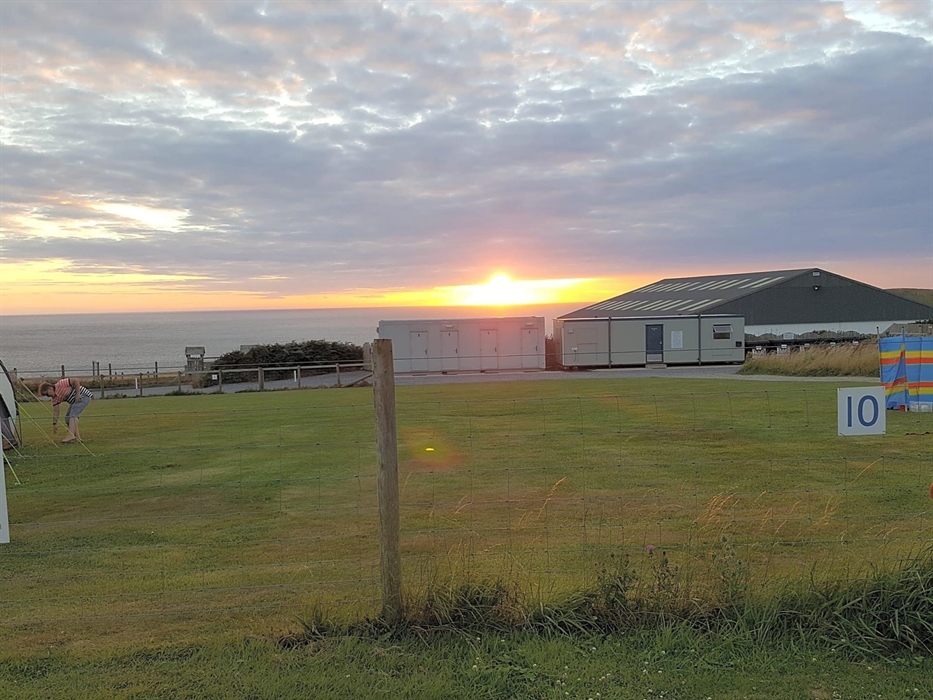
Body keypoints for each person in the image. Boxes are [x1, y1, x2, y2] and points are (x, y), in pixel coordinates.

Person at [38, 378, 93, 443]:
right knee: (67, 419)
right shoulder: (55, 399)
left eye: (47, 394)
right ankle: (77, 438)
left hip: (83, 396)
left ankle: (71, 436)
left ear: (50, 388)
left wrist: (78, 394)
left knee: (73, 415)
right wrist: (54, 423)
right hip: (74, 402)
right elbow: (56, 411)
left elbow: (75, 380)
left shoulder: (60, 384)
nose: (47, 396)